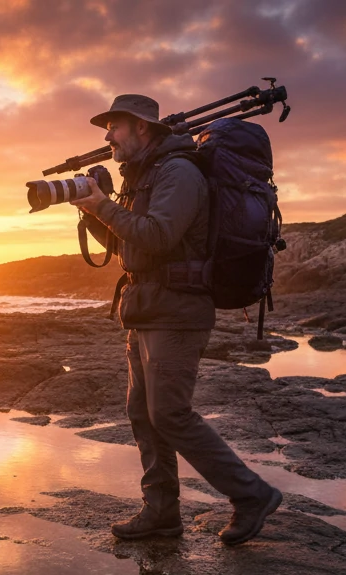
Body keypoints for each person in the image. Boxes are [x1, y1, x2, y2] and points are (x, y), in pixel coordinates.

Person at [69, 94, 281, 545]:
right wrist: (92, 208)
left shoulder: (179, 173)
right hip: (147, 307)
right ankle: (161, 510)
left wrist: (103, 205)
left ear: (142, 128)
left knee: (169, 413)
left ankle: (251, 495)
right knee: (143, 416)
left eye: (115, 127)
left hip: (178, 310)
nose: (107, 137)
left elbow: (160, 236)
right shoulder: (145, 175)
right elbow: (130, 246)